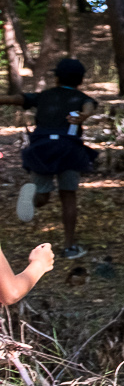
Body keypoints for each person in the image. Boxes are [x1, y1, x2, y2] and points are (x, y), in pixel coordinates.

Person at [3, 58, 99, 259]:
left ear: (56, 78)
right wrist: (83, 116)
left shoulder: (43, 96)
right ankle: (69, 246)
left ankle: (33, 198)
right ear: (80, 80)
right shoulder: (82, 98)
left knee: (43, 196)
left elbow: (14, 99)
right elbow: (89, 108)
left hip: (42, 149)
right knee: (68, 195)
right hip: (69, 150)